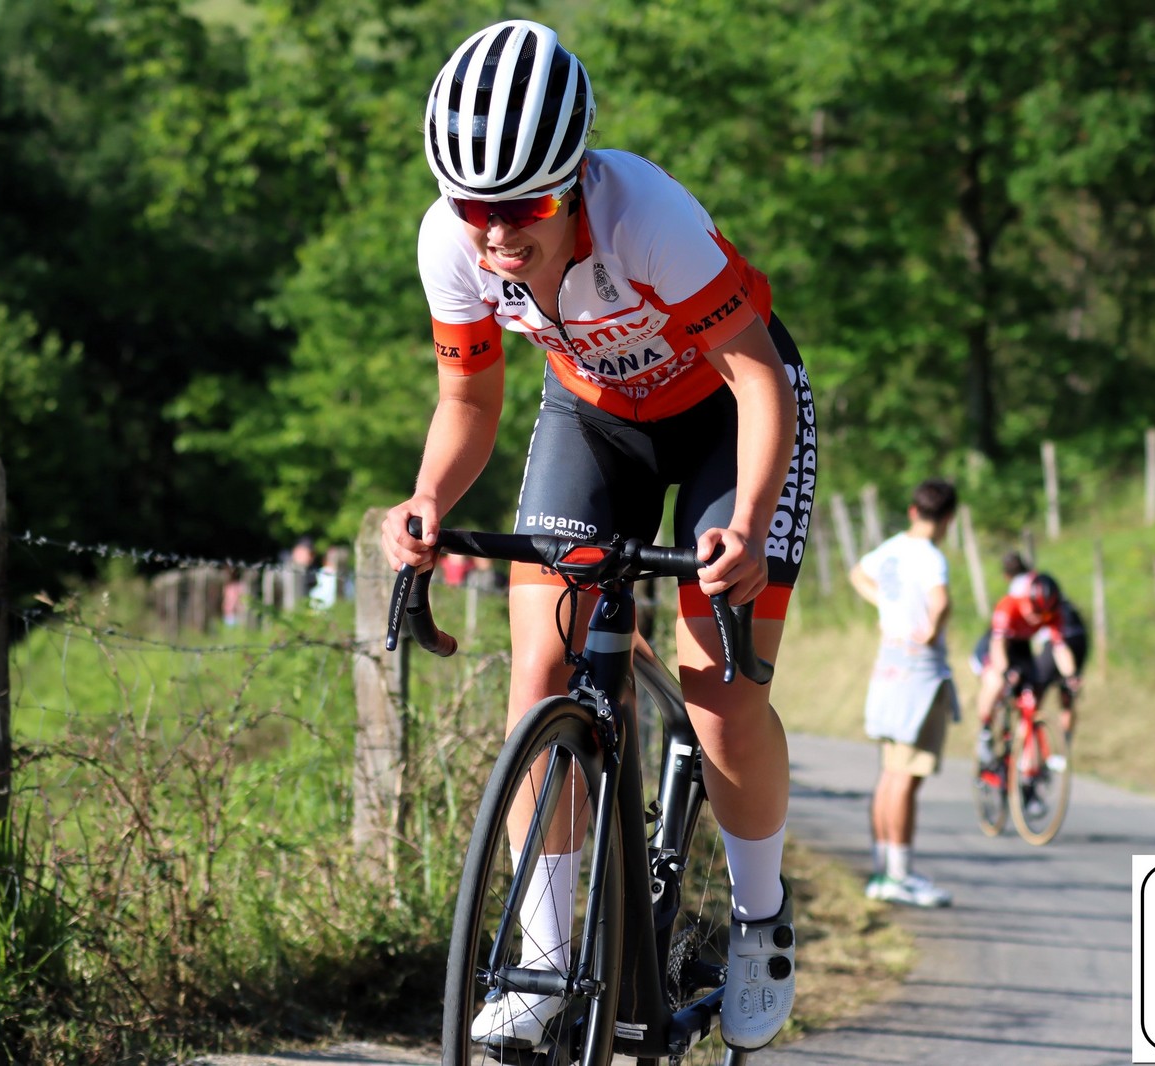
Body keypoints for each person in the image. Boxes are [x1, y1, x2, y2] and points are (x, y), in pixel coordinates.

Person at [380, 18, 818, 1053]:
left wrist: (747, 524)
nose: (495, 237)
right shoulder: (450, 243)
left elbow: (757, 380)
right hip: (594, 418)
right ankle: (539, 959)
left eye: (523, 209)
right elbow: (468, 400)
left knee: (720, 694)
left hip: (727, 414)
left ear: (574, 183)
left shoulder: (646, 218)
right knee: (541, 671)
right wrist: (428, 497)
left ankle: (760, 920)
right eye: (472, 209)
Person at [848, 479, 958, 908]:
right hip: (919, 674)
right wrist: (929, 631)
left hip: (888, 668)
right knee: (906, 779)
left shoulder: (892, 549)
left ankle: (882, 871)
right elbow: (941, 601)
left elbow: (858, 573)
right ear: (948, 518)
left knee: (889, 774)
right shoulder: (931, 557)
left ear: (914, 511)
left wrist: (885, 605)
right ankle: (900, 874)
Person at [973, 571, 1082, 766]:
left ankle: (1023, 753)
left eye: (1044, 614)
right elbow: (998, 645)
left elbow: (1060, 648)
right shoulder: (1008, 605)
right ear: (1025, 599)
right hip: (996, 645)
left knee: (1031, 693)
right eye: (1034, 610)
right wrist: (1004, 672)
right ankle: (985, 731)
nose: (1038, 617)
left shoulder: (1053, 614)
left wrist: (1071, 676)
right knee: (996, 682)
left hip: (1021, 647)